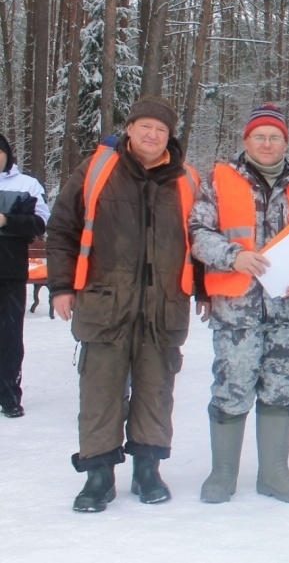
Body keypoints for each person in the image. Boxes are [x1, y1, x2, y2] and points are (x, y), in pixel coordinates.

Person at [46, 96, 205, 513]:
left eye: (161, 129)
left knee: (157, 390)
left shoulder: (187, 179)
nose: (153, 135)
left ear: (170, 136)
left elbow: (201, 239)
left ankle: (147, 469)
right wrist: (61, 286)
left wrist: (205, 291)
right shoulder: (97, 170)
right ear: (130, 129)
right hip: (104, 302)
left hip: (164, 307)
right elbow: (62, 228)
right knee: (100, 390)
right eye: (145, 126)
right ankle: (98, 475)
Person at [189, 104, 289, 504]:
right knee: (232, 386)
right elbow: (197, 232)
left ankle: (274, 473)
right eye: (260, 136)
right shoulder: (219, 180)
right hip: (237, 311)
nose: (267, 143)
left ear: (286, 142)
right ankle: (223, 473)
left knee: (282, 388)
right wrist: (234, 256)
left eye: (275, 137)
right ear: (246, 140)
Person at [0, 133, 50, 418]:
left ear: (7, 154)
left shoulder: (26, 185)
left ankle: (9, 395)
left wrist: (7, 220)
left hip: (9, 271)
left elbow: (41, 222)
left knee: (9, 336)